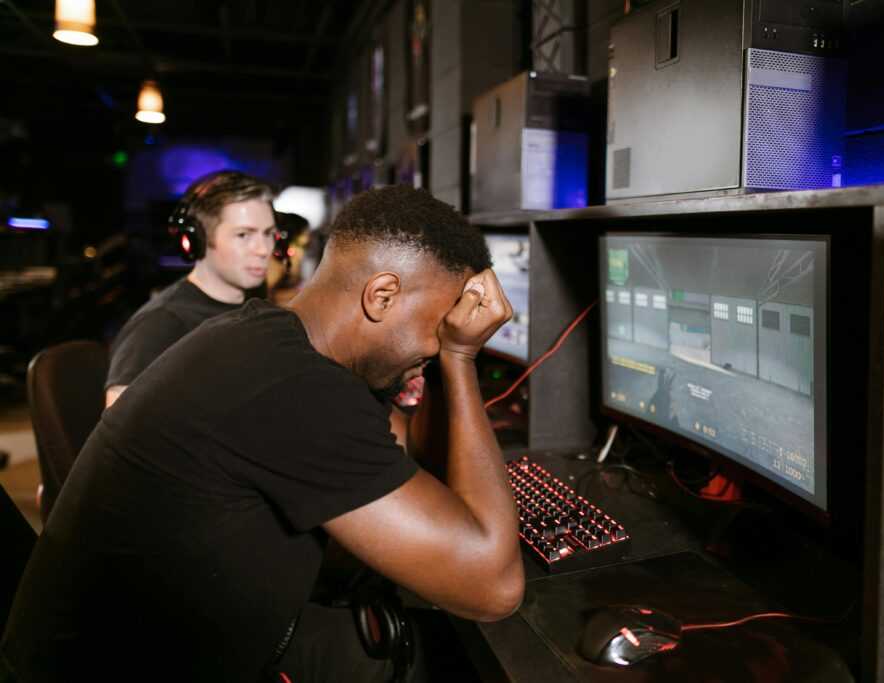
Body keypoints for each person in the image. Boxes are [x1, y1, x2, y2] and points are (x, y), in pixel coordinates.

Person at [1, 185, 524, 682]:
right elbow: (495, 588)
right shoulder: (292, 387)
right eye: (438, 326)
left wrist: (436, 352)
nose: (439, 342)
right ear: (382, 295)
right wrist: (460, 358)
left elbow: (415, 454)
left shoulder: (270, 340)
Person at [104, 170, 277, 407]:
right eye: (243, 235)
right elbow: (119, 434)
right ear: (198, 240)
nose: (263, 249)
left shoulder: (254, 308)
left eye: (268, 234)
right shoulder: (159, 325)